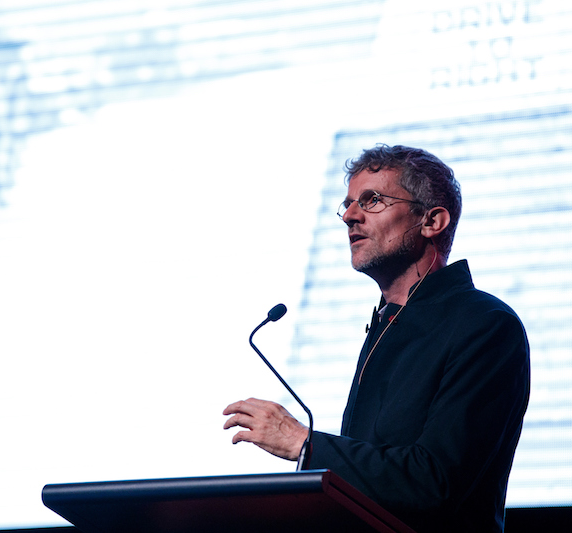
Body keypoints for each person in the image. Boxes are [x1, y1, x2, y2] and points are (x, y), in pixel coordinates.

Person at [223, 144, 530, 532]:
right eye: (349, 203)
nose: (350, 216)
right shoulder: (386, 322)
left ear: (431, 221)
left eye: (372, 200)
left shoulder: (485, 325)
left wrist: (306, 445)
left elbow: (435, 482)